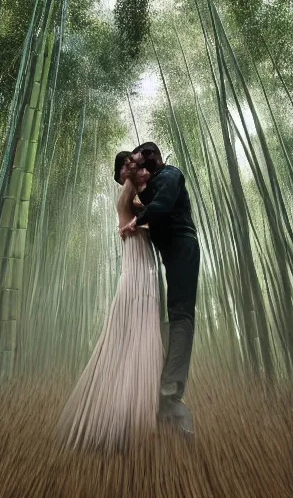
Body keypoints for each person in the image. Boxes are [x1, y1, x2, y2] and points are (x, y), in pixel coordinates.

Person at [57, 152, 163, 451]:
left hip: (144, 276)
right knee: (134, 344)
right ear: (120, 174)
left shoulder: (136, 204)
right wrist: (141, 219)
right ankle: (119, 427)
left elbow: (148, 220)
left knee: (140, 345)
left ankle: (133, 425)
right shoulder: (123, 202)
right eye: (128, 165)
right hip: (136, 278)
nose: (135, 167)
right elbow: (140, 222)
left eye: (135, 164)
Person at [120, 142, 199, 435]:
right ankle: (164, 383)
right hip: (168, 255)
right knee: (170, 315)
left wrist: (135, 222)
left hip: (183, 248)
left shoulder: (170, 176)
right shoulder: (151, 184)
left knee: (181, 316)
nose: (139, 171)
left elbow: (162, 206)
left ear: (151, 160)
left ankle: (171, 388)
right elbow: (147, 203)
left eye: (140, 164)